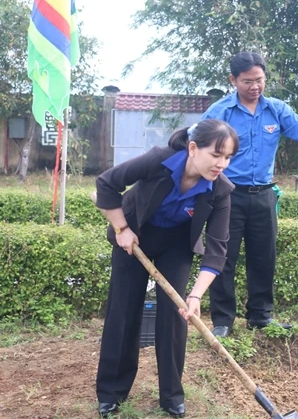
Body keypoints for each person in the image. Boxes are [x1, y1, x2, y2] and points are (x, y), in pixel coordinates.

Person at [202, 51, 298, 337]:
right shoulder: (220, 112)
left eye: (259, 80)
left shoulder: (275, 110)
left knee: (264, 256)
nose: (254, 86)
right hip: (225, 195)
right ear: (233, 80)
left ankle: (260, 317)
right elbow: (195, 141)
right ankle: (223, 321)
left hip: (263, 195)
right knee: (223, 258)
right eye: (247, 81)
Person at [93, 120, 239, 418]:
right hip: (134, 235)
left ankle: (171, 395)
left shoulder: (219, 190)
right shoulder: (159, 160)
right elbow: (106, 183)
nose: (221, 164)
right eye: (216, 155)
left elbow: (217, 249)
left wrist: (195, 297)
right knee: (124, 310)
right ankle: (111, 392)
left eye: (228, 157)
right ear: (193, 148)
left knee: (175, 315)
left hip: (177, 244)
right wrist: (121, 228)